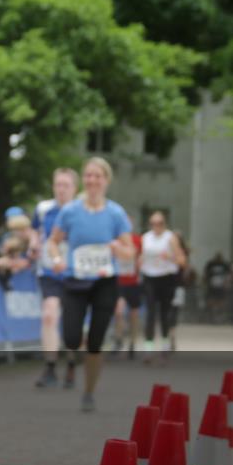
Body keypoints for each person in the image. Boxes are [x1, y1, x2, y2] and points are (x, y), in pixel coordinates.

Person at [47, 157, 135, 412]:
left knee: (95, 342)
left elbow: (130, 251)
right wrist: (56, 258)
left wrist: (119, 248)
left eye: (98, 176)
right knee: (72, 338)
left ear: (106, 181)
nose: (92, 180)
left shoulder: (115, 213)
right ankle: (74, 358)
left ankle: (89, 391)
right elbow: (53, 241)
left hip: (104, 282)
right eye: (88, 175)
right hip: (75, 279)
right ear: (83, 179)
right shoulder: (70, 211)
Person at [32, 168, 80, 388]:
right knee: (49, 314)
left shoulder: (82, 211)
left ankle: (71, 363)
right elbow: (35, 231)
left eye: (65, 185)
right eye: (57, 184)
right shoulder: (43, 209)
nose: (61, 189)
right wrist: (33, 243)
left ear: (74, 188)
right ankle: (50, 366)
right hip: (50, 270)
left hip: (75, 273)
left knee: (71, 322)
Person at [139, 211, 186, 363]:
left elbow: (182, 260)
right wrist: (139, 262)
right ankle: (148, 349)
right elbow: (140, 256)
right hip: (149, 277)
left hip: (166, 278)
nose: (156, 226)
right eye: (153, 223)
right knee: (150, 313)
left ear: (164, 224)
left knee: (165, 313)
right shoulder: (145, 238)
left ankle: (165, 343)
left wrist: (170, 257)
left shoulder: (170, 237)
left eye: (159, 223)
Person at [111, 214, 143, 360]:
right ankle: (118, 339)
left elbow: (143, 257)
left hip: (133, 282)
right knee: (119, 310)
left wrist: (140, 263)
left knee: (134, 314)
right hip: (118, 281)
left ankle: (132, 343)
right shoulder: (115, 240)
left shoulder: (138, 240)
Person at [204, 252, 231, 318]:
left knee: (221, 300)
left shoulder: (224, 264)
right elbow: (206, 273)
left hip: (221, 286)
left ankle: (220, 313)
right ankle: (211, 313)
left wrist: (227, 283)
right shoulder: (211, 264)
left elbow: (229, 274)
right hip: (212, 285)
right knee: (211, 299)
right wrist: (206, 281)